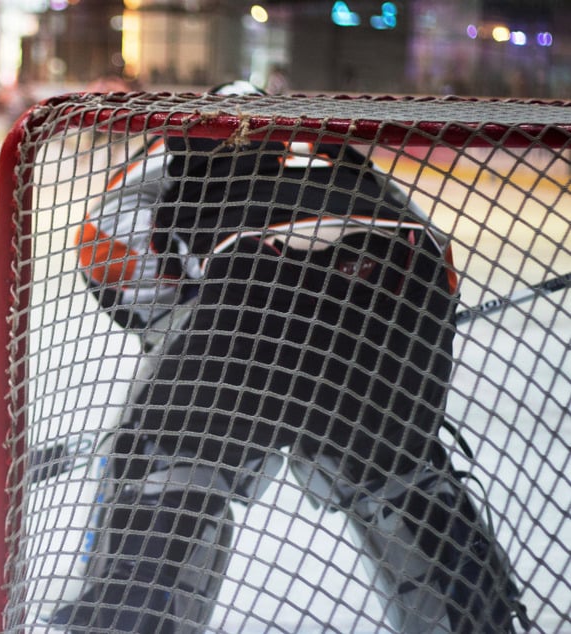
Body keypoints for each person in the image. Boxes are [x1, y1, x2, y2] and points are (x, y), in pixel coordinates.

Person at [48, 81, 530, 633]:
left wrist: (176, 324)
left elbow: (106, 251)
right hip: (389, 313)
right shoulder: (333, 149)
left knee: (168, 469)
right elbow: (431, 257)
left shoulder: (172, 154)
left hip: (244, 310)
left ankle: (131, 610)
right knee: (402, 475)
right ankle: (474, 619)